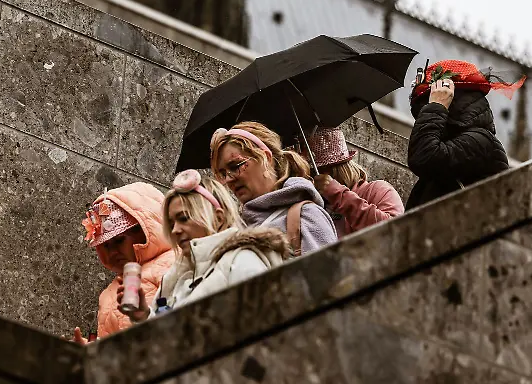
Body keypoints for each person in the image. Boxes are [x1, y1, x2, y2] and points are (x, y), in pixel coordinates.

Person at [117, 169, 290, 322]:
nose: (175, 230)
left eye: (184, 218)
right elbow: (166, 345)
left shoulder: (242, 260)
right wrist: (145, 316)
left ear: (218, 218)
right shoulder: (174, 278)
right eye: (171, 223)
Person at [405, 59, 524, 210]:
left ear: (452, 98)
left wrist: (437, 106)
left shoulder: (481, 141)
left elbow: (423, 157)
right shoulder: (460, 140)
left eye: (431, 100)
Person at [210, 121, 338, 255]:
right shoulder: (236, 229)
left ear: (266, 158)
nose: (229, 179)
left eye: (236, 166)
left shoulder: (306, 216)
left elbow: (331, 274)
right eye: (223, 174)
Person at [70, 182, 175, 343]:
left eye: (119, 241)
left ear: (146, 230)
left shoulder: (175, 264)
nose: (111, 252)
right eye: (105, 245)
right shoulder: (108, 294)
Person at [300, 126, 404, 237]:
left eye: (319, 172)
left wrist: (339, 196)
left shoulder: (378, 190)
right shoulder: (316, 206)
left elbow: (395, 230)